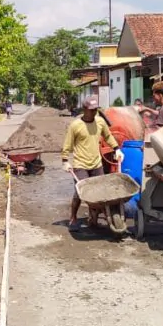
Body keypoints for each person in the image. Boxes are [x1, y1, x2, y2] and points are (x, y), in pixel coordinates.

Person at [61, 96, 122, 228]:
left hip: (96, 164)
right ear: (84, 109)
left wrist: (116, 149)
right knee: (80, 192)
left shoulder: (100, 122)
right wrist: (65, 160)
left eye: (95, 110)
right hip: (80, 164)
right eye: (91, 110)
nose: (94, 112)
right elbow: (67, 144)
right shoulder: (75, 125)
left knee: (99, 192)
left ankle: (93, 218)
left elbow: (108, 136)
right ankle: (73, 217)